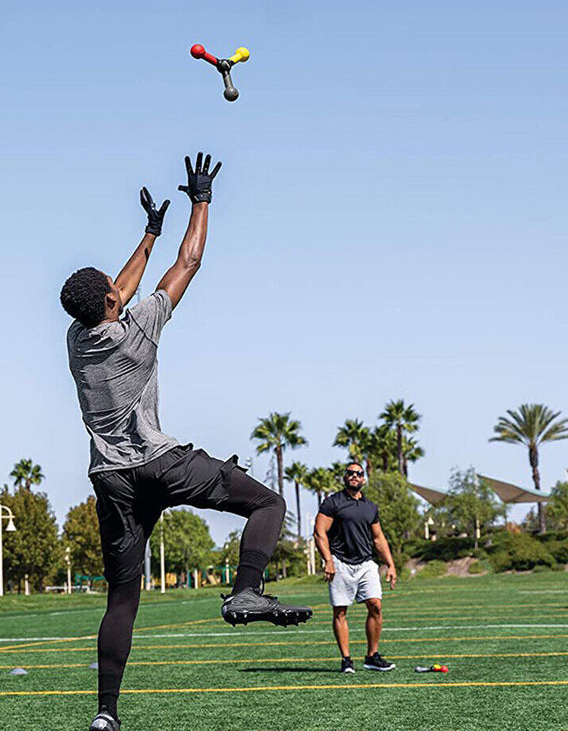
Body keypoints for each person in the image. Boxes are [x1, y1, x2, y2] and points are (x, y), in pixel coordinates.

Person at [60, 153, 313, 731]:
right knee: (267, 503)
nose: (119, 289)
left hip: (111, 479)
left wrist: (150, 231)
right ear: (111, 304)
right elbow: (190, 261)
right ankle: (246, 591)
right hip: (159, 462)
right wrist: (202, 200)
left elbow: (117, 289)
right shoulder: (139, 328)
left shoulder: (76, 339)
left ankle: (105, 714)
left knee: (121, 599)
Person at [313, 463, 398, 674]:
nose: (354, 476)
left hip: (366, 563)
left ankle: (372, 656)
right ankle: (346, 659)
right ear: (345, 477)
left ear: (363, 479)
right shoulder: (333, 503)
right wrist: (328, 560)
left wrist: (390, 564)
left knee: (376, 605)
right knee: (340, 611)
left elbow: (378, 538)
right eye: (350, 473)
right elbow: (319, 532)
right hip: (340, 562)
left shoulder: (370, 507)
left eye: (358, 474)